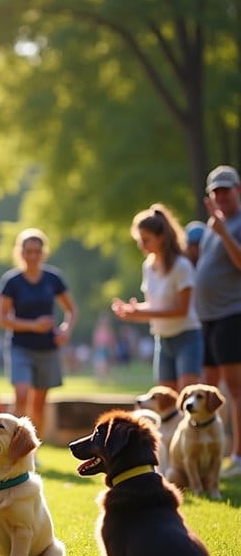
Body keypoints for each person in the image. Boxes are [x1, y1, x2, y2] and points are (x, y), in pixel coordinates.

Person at [0, 228, 78, 439]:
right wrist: (33, 325)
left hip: (47, 348)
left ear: (43, 253)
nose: (32, 256)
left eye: (37, 251)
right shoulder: (11, 281)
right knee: (21, 395)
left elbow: (71, 310)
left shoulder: (52, 278)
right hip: (20, 346)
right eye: (28, 251)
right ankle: (9, 442)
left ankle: (32, 449)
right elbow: (2, 319)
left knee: (39, 405)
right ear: (20, 252)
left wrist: (66, 329)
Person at [111, 203, 203, 392]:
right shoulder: (148, 266)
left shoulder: (181, 266)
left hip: (187, 337)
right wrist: (134, 310)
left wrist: (141, 314)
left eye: (146, 239)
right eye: (139, 239)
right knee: (165, 401)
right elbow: (156, 305)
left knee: (187, 396)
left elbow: (181, 310)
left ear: (161, 238)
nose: (141, 245)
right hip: (162, 339)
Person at [194, 164, 241, 476]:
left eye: (226, 189)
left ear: (237, 190)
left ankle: (237, 455)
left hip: (231, 314)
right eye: (216, 191)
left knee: (235, 390)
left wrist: (224, 233)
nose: (221, 195)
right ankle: (204, 451)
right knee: (207, 388)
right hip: (208, 318)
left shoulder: (233, 224)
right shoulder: (214, 225)